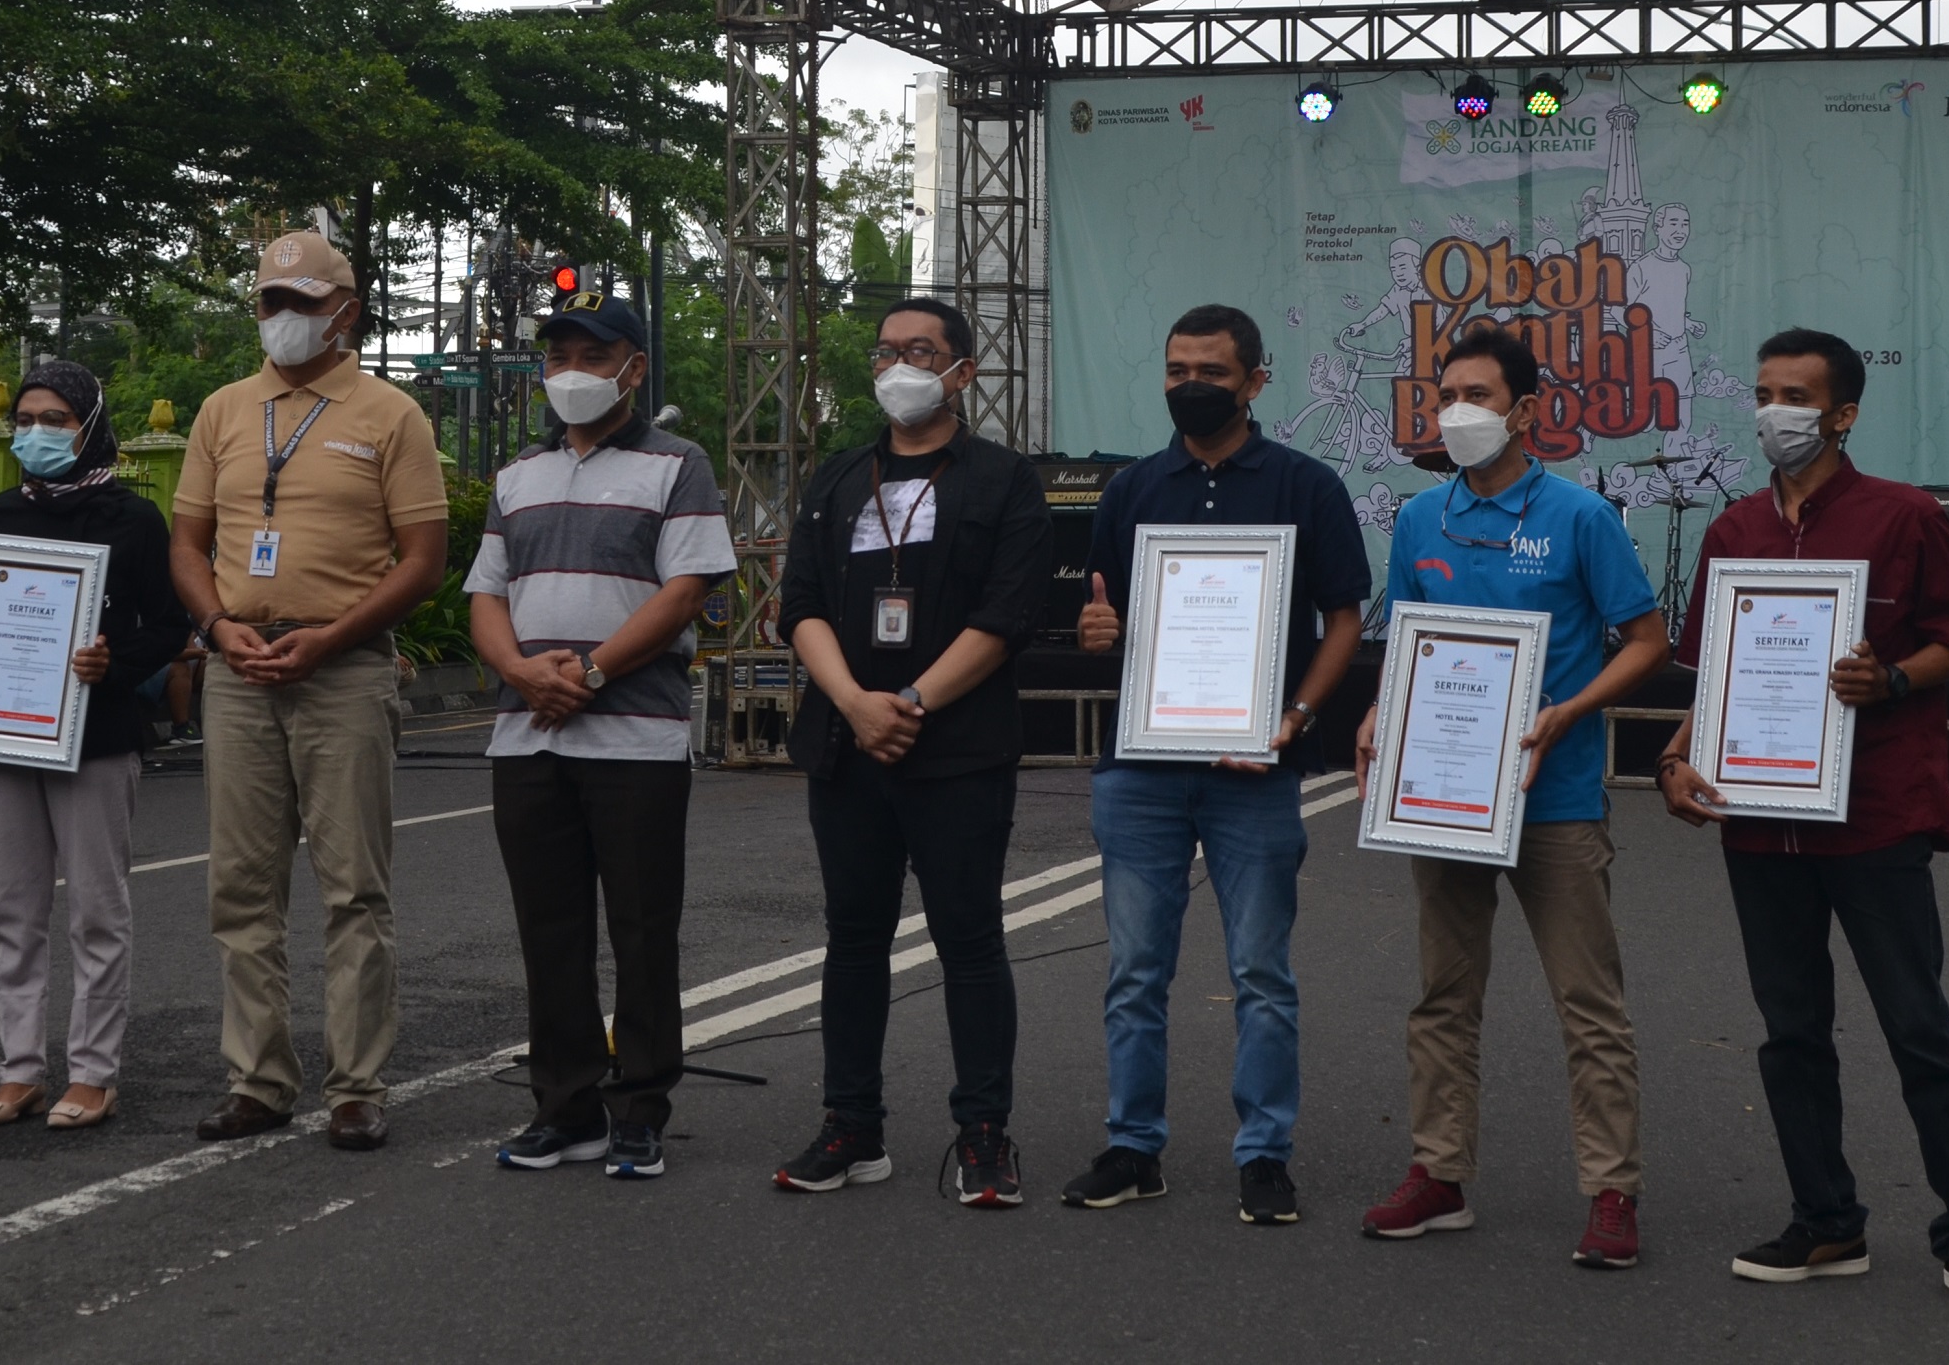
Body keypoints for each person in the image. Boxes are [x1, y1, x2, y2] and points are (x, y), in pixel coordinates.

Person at [1656, 328, 1949, 1316]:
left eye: (1797, 394)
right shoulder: (1732, 530)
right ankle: (1825, 1220)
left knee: (1917, 1027)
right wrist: (1676, 753)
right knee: (1788, 1031)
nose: (1776, 409)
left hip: (1873, 813)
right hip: (1759, 817)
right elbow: (1718, 672)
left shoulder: (1901, 516)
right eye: (1765, 391)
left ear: (1843, 413)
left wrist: (1892, 677)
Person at [1357, 320, 1666, 1270]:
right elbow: (1409, 643)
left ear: (1526, 410)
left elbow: (1648, 639)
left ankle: (1612, 1190)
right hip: (1444, 793)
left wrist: (1571, 709)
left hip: (1556, 795)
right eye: (1446, 396)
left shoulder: (1579, 516)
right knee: (1443, 996)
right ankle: (1439, 1172)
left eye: (1479, 397)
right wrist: (1379, 715)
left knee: (1588, 1003)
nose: (1458, 413)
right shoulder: (1420, 520)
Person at [1061, 303, 1370, 1226]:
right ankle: (1132, 1145)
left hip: (1256, 768)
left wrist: (1297, 714)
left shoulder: (1306, 485)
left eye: (1212, 372)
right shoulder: (1130, 490)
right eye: (1176, 369)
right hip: (1144, 765)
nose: (1191, 386)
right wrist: (1094, 631)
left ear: (1256, 380)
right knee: (1134, 971)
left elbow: (1346, 616)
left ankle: (1265, 1152)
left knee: (1261, 973)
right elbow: (1103, 617)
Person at [169, 231, 449, 1151]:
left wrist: (333, 636)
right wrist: (217, 629)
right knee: (240, 886)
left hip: (345, 669)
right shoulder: (221, 410)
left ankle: (357, 1084)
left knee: (352, 889)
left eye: (298, 301)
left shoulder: (391, 415)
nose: (279, 318)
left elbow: (425, 559)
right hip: (238, 669)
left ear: (346, 311)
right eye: (267, 302)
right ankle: (258, 1079)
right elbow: (187, 542)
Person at [774, 296, 1051, 1206]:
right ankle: (851, 1128)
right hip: (848, 745)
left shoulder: (1005, 479)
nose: (900, 365)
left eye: (921, 351)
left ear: (961, 372)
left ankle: (983, 1134)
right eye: (887, 351)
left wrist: (915, 700)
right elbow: (800, 605)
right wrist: (855, 703)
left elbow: (1008, 614)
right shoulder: (839, 478)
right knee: (853, 941)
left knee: (968, 941)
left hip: (958, 747)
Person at [467, 289, 735, 1181]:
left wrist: (584, 673)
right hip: (528, 737)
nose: (572, 373)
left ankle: (639, 1108)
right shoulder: (516, 476)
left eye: (592, 356)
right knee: (550, 931)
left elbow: (685, 592)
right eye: (558, 358)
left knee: (642, 928)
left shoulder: (678, 464)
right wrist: (519, 672)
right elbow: (486, 597)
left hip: (635, 737)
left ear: (633, 366)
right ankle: (567, 1106)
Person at [0, 361, 192, 1130]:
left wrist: (114, 661)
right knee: (12, 909)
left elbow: (168, 626)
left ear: (88, 424)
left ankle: (94, 1071)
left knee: (97, 911)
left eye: (54, 418)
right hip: (6, 729)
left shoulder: (134, 518)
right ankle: (19, 1069)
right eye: (25, 417)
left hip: (98, 735)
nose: (36, 432)